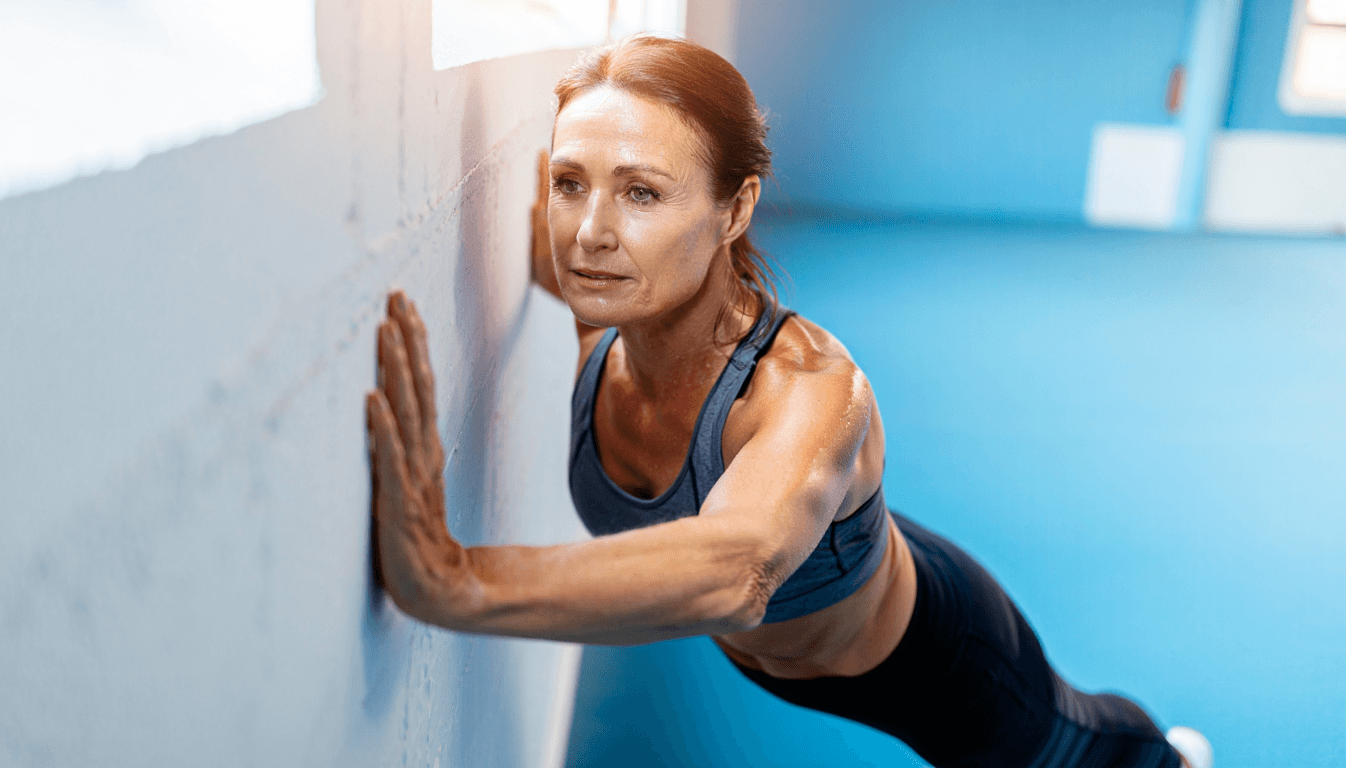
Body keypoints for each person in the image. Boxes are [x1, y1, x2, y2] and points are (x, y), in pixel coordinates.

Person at [364, 35, 1213, 768]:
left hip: (939, 659)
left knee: (1083, 750)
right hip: (805, 597)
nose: (590, 232)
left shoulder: (811, 386)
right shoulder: (605, 303)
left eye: (643, 193)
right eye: (570, 182)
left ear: (735, 209)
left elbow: (738, 571)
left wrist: (458, 577)